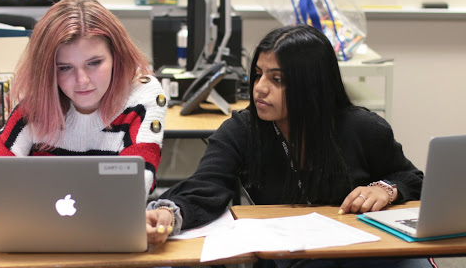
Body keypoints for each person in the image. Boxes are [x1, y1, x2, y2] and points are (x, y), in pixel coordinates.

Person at [146, 25, 431, 267]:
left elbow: (413, 179)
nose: (260, 87)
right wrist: (169, 213)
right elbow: (205, 187)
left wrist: (385, 189)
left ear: (312, 86)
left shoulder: (361, 127)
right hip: (290, 258)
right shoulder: (243, 130)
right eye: (258, 74)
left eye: (277, 79)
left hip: (363, 256)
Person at [0, 0, 167, 228]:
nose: (82, 81)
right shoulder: (37, 102)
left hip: (105, 245)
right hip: (39, 243)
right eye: (65, 68)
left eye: (94, 63)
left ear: (116, 58)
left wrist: (28, 213)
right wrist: (44, 223)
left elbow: (132, 192)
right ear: (48, 71)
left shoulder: (142, 96)